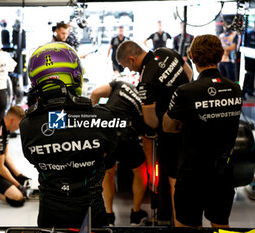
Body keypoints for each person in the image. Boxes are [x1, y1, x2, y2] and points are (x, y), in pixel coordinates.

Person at [20, 42, 117, 227]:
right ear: (75, 76)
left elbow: (33, 158)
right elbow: (109, 158)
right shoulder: (101, 117)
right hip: (90, 213)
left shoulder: (27, 125)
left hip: (49, 213)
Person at [163, 34, 242, 228]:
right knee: (221, 226)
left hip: (192, 174)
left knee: (188, 226)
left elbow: (168, 126)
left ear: (192, 56)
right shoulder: (235, 89)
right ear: (220, 54)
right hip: (223, 173)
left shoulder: (185, 91)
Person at [116, 40, 192, 225]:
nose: (131, 70)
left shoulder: (145, 81)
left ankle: (177, 222)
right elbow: (189, 73)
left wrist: (162, 127)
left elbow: (150, 119)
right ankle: (191, 219)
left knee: (173, 179)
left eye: (128, 66)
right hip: (191, 121)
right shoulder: (167, 52)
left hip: (171, 132)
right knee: (189, 173)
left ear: (132, 59)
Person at [91, 80, 151, 226]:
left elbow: (95, 93)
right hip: (125, 135)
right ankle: (135, 215)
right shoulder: (143, 102)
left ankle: (109, 216)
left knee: (108, 172)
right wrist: (150, 171)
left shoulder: (120, 84)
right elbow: (146, 138)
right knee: (140, 171)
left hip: (106, 130)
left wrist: (91, 116)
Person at [242, 21, 255, 97]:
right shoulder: (249, 34)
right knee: (248, 74)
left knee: (252, 75)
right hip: (249, 58)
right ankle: (244, 91)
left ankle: (250, 90)